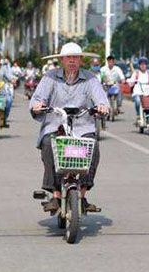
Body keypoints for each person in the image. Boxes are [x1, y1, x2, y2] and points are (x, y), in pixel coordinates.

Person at [30, 42, 109, 213]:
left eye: (76, 57)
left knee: (93, 147)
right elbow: (38, 98)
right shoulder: (50, 77)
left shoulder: (91, 79)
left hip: (82, 126)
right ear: (61, 60)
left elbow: (101, 99)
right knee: (48, 144)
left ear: (81, 60)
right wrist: (38, 105)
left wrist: (102, 106)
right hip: (55, 125)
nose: (72, 60)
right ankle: (56, 195)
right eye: (68, 57)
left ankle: (82, 194)